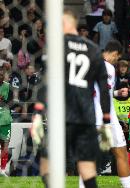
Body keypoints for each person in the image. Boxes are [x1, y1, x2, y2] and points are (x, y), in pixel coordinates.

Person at [31, 9, 111, 188]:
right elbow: (104, 88)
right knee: (87, 169)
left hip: (63, 115)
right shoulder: (94, 49)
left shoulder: (58, 45)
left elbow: (47, 81)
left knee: (47, 164)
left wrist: (37, 113)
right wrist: (106, 121)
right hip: (86, 117)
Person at [84, 40, 130, 188]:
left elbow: (100, 92)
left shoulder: (88, 66)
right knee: (121, 154)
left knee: (88, 159)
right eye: (117, 58)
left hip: (91, 118)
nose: (116, 61)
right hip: (107, 118)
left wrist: (117, 92)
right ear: (114, 53)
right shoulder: (109, 68)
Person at [0, 68, 12, 176]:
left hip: (5, 120)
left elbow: (6, 100)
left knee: (5, 146)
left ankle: (2, 169)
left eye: (1, 75)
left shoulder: (7, 86)